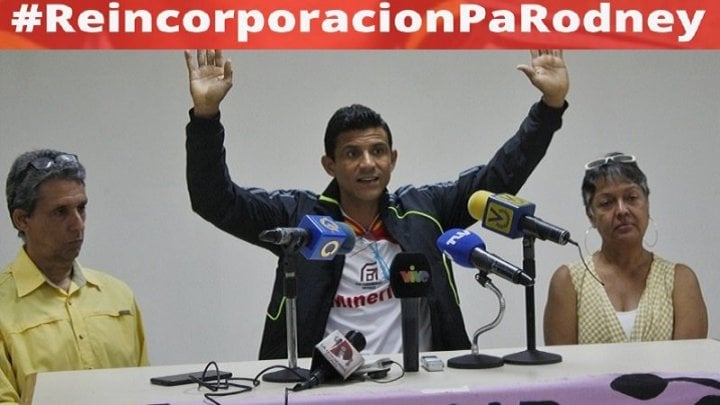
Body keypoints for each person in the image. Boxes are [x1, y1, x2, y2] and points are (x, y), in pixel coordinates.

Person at [184, 49, 570, 360]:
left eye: (378, 151)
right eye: (352, 153)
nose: (368, 164)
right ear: (330, 165)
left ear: (392, 159)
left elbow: (498, 177)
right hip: (328, 391)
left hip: (422, 387)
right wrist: (205, 118)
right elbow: (215, 200)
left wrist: (549, 107)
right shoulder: (298, 219)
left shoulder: (424, 210)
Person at [0, 150, 148, 403]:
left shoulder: (118, 296)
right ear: (22, 219)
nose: (77, 224)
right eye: (60, 212)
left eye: (81, 208)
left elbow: (144, 392)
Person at [543, 152, 708, 345]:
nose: (622, 210)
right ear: (591, 215)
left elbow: (689, 362)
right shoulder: (568, 282)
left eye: (631, 197)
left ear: (647, 205)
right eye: (607, 203)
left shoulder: (680, 282)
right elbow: (563, 364)